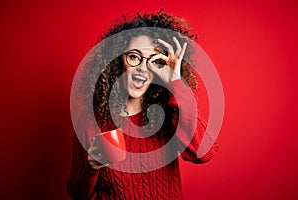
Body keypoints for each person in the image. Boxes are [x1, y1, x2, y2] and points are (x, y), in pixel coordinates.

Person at [67, 9, 218, 200]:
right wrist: (90, 165)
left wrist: (176, 83)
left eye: (154, 61)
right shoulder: (92, 120)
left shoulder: (168, 112)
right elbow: (77, 193)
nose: (142, 68)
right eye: (134, 57)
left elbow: (203, 154)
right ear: (117, 61)